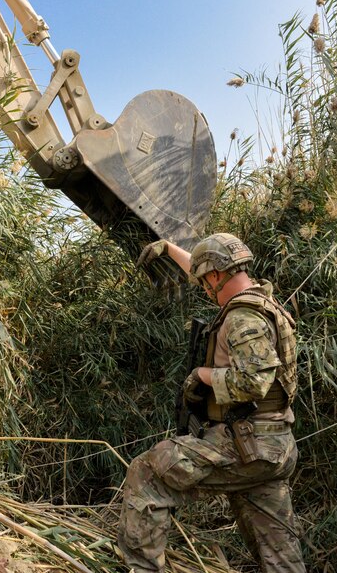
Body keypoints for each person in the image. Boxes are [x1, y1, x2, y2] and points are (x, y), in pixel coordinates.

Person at [118, 233, 306, 573]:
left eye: (205, 280)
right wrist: (168, 247)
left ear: (217, 276)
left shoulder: (242, 319)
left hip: (250, 446)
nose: (204, 288)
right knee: (279, 552)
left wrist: (202, 375)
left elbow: (253, 383)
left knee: (148, 473)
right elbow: (208, 263)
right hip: (273, 446)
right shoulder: (261, 302)